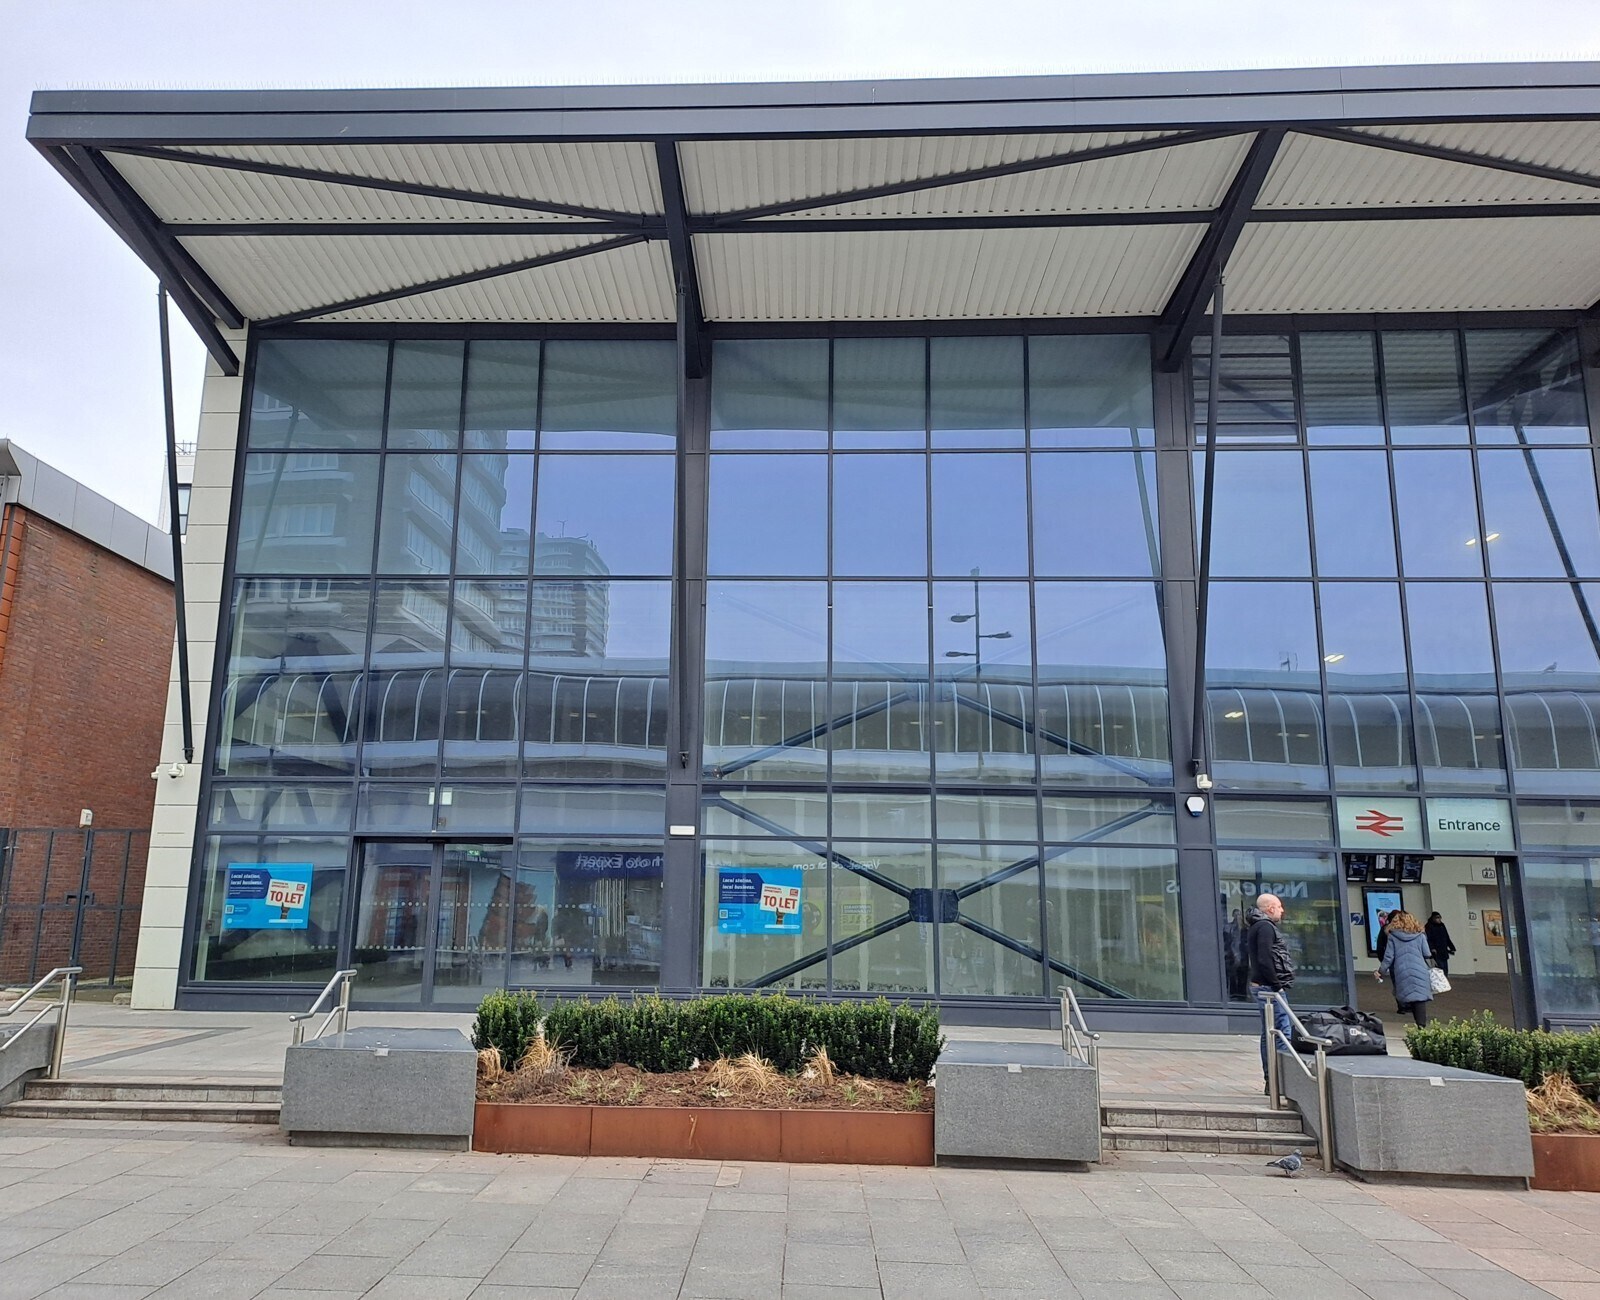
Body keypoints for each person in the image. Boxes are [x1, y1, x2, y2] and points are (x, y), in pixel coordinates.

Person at [1245, 892, 1295, 1093]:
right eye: (1279, 906)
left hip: (1264, 985)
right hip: (1269, 987)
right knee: (1282, 1031)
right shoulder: (1265, 927)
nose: (1282, 910)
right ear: (1270, 908)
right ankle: (1280, 1078)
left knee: (1270, 1032)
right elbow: (1266, 959)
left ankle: (1273, 1079)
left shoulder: (1258, 927)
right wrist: (1277, 985)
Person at [1377, 909, 1434, 1027]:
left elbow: (1388, 958)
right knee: (1419, 998)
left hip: (1402, 971)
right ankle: (1421, 1026)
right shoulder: (1420, 936)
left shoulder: (1392, 937)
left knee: (1409, 995)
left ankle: (1408, 1013)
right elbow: (1427, 953)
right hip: (1420, 969)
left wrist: (1380, 972)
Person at [1424, 911, 1457, 976]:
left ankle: (1445, 980)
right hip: (1436, 951)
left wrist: (1452, 947)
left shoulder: (1442, 925)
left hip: (1443, 950)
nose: (1439, 919)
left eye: (1440, 918)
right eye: (1437, 918)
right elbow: (1428, 938)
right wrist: (1432, 948)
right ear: (1433, 918)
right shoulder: (1429, 926)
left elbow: (1447, 937)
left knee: (1445, 968)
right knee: (1439, 968)